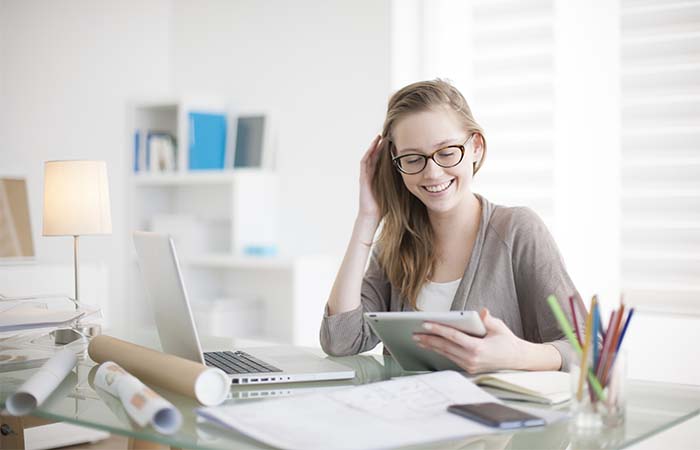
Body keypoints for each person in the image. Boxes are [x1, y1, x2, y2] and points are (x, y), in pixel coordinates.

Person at [320, 79, 586, 373]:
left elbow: (587, 349)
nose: (432, 173)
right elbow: (341, 340)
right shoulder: (396, 243)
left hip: (495, 415)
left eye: (446, 152)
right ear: (395, 164)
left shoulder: (517, 230)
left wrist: (515, 356)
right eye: (412, 158)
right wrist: (367, 218)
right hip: (412, 414)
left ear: (475, 147)